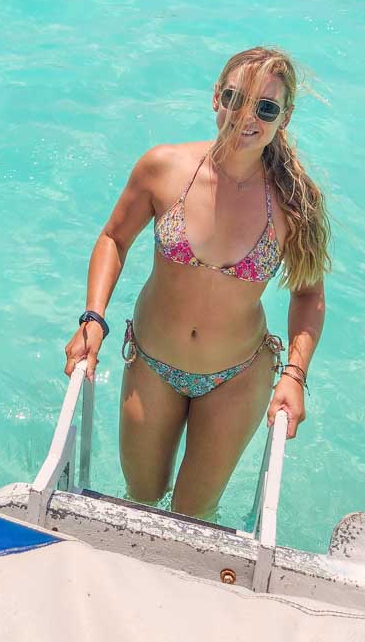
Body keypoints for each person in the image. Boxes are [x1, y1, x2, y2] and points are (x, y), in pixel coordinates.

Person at [64, 47, 330, 520]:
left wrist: (294, 374)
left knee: (194, 513)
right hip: (152, 363)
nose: (246, 116)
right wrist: (93, 317)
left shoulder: (294, 203)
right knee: (141, 496)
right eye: (235, 99)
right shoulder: (163, 168)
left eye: (265, 107)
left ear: (285, 117)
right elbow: (113, 239)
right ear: (215, 97)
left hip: (237, 376)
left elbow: (308, 293)